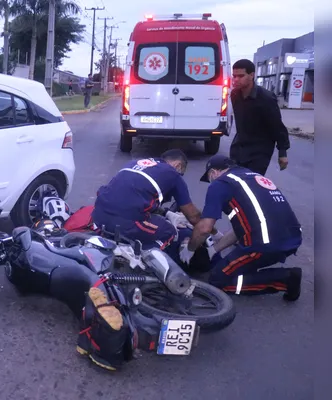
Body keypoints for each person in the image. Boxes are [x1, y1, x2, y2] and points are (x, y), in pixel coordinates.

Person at [180, 155, 303, 301]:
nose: (210, 182)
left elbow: (204, 228)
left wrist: (190, 249)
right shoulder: (251, 176)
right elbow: (242, 229)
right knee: (237, 266)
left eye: (209, 178)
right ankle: (253, 270)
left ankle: (286, 279)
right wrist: (213, 250)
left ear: (213, 173)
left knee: (218, 281)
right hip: (291, 237)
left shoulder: (220, 183)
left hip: (263, 245)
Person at [91, 149, 211, 261]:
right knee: (169, 231)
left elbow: (133, 197)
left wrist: (167, 213)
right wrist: (211, 232)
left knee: (147, 221)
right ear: (178, 166)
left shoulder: (134, 163)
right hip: (125, 222)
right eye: (182, 173)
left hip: (98, 216)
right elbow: (193, 216)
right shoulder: (172, 174)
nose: (180, 176)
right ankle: (141, 261)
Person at [229, 59, 291, 176]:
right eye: (234, 76)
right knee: (235, 182)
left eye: (241, 76)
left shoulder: (266, 98)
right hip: (239, 148)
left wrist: (282, 152)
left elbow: (277, 126)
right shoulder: (235, 95)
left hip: (259, 151)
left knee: (252, 184)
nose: (236, 79)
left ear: (252, 75)